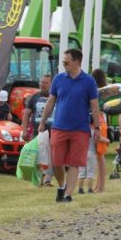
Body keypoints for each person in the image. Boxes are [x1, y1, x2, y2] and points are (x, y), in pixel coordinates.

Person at [38, 49, 101, 203]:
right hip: (59, 127)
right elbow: (51, 101)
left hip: (80, 129)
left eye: (66, 62)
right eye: (63, 62)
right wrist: (42, 121)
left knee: (74, 163)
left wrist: (97, 128)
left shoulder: (89, 81)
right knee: (57, 162)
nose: (64, 64)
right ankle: (62, 186)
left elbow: (94, 106)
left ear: (77, 62)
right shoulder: (59, 79)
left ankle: (68, 194)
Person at [21, 74, 53, 141]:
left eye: (45, 83)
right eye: (41, 82)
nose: (42, 85)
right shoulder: (34, 97)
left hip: (53, 134)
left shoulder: (57, 97)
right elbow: (26, 114)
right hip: (37, 134)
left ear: (52, 84)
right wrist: (24, 131)